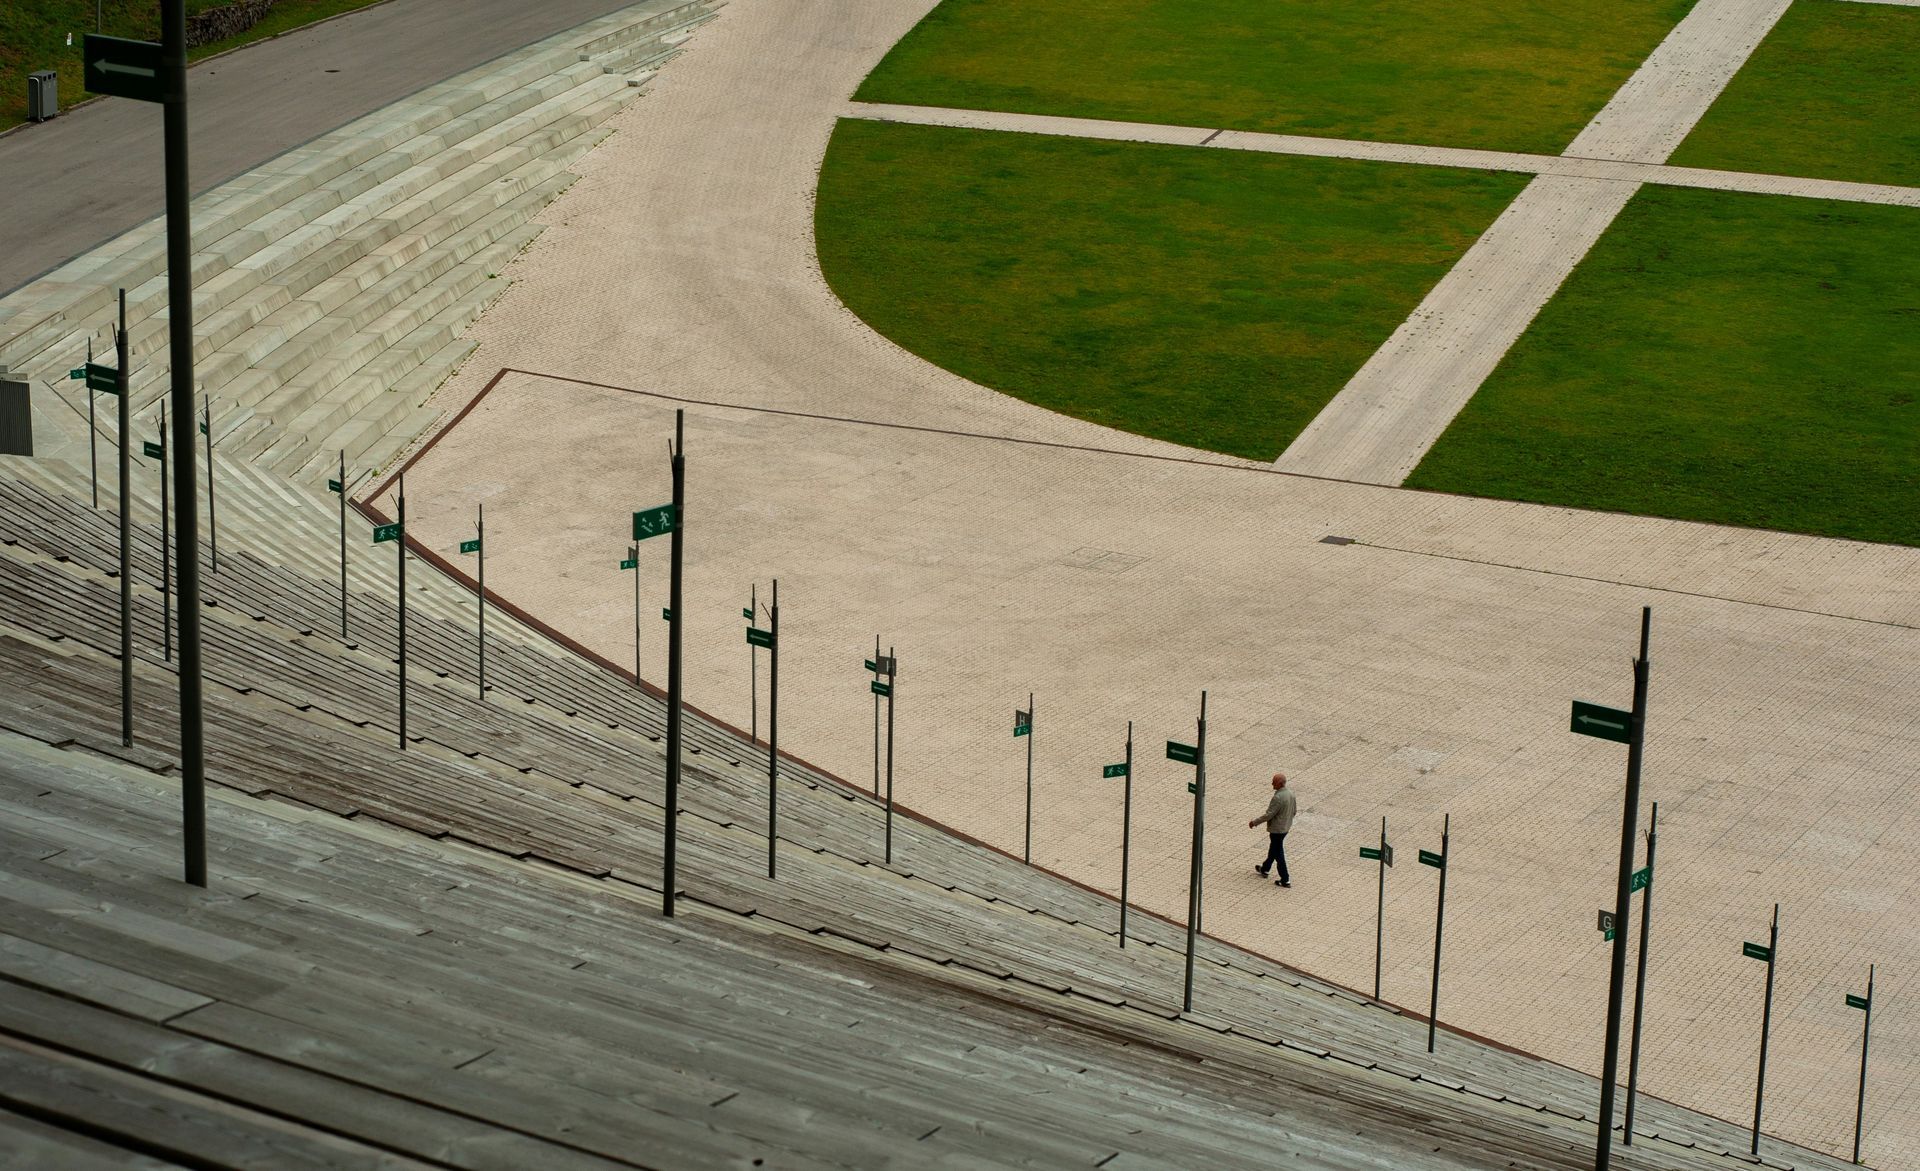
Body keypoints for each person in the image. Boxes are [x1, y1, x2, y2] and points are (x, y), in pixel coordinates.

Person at [1249, 772, 1296, 887]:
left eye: (1274, 782)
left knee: (1279, 854)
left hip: (1277, 830)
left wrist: (1254, 822)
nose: (1272, 784)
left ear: (1279, 783)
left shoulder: (1278, 797)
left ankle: (1285, 879)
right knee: (1274, 849)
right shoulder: (1291, 794)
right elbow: (1294, 811)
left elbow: (1269, 815)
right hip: (1285, 828)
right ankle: (1265, 868)